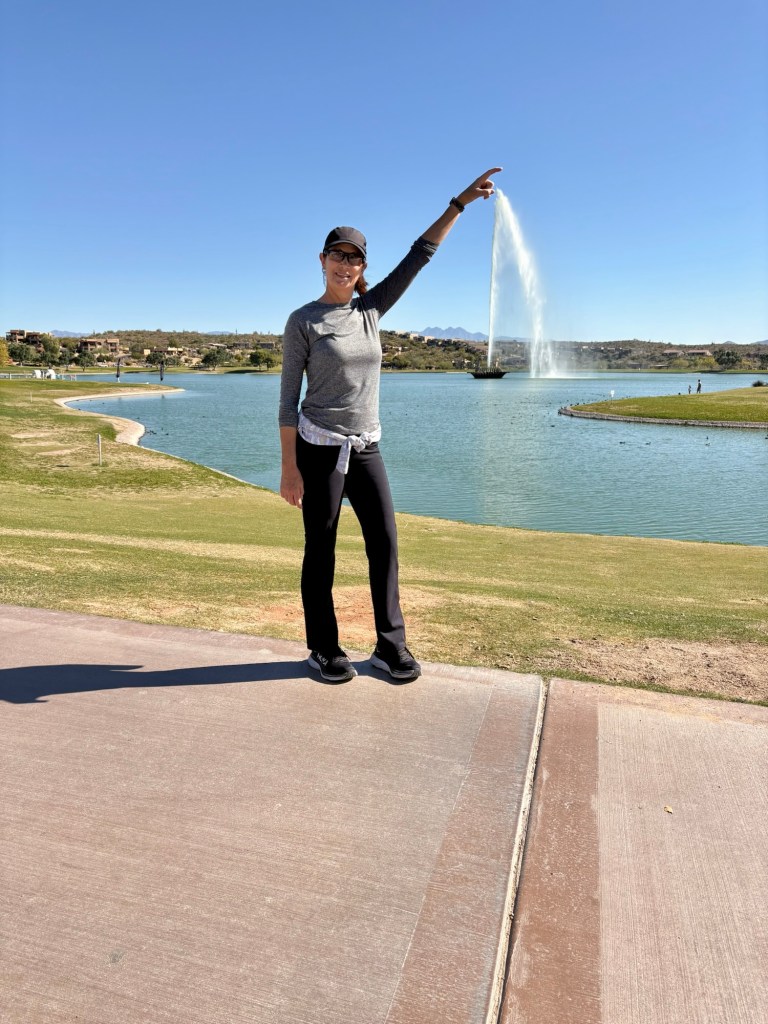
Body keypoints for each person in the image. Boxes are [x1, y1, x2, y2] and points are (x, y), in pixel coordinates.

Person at [278, 168, 502, 683]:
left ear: (362, 267)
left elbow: (420, 254)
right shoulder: (303, 320)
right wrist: (290, 469)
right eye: (337, 255)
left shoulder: (371, 309)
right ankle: (324, 648)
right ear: (321, 260)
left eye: (354, 258)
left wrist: (459, 203)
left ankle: (389, 646)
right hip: (319, 447)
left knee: (384, 542)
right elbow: (288, 402)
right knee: (322, 548)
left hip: (366, 448)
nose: (345, 265)